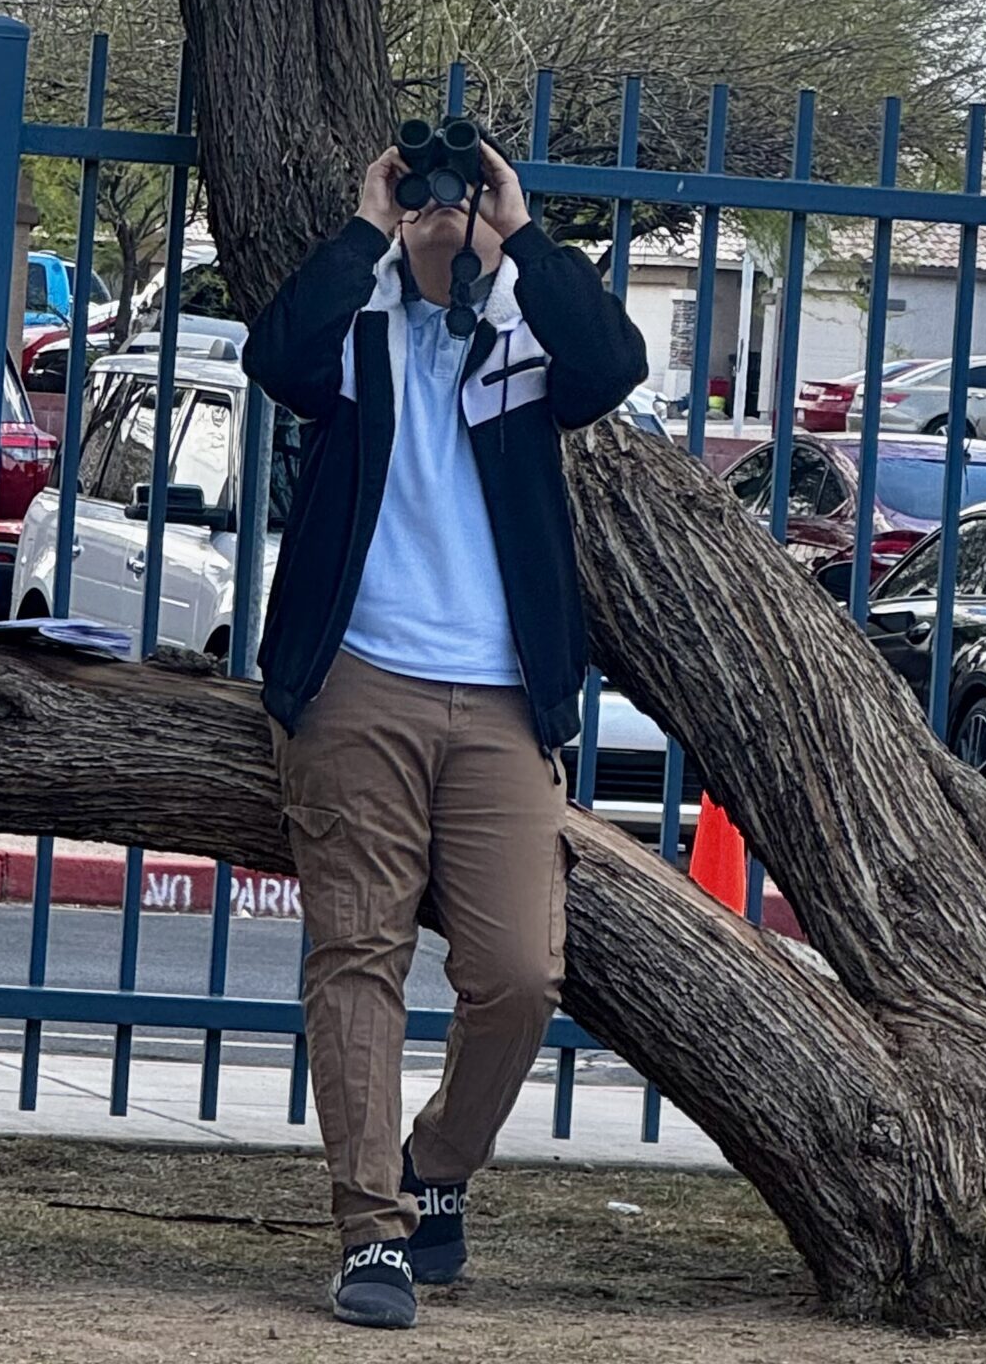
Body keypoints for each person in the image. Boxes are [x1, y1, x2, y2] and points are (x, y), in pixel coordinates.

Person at [247, 135, 646, 1330]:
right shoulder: (354, 328)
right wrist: (373, 223)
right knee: (357, 953)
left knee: (520, 972)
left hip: (503, 695)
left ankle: (438, 1167)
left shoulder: (524, 339)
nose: (437, 213)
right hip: (358, 682)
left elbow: (613, 363)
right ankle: (371, 1229)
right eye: (422, 195)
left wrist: (516, 229)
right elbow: (277, 356)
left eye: (454, 194)